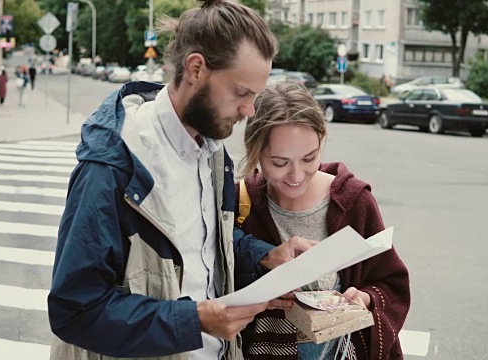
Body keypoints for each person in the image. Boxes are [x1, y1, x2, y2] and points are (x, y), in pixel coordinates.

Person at [47, 1, 315, 359]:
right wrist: (194, 320)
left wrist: (265, 257)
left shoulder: (215, 153)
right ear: (195, 69)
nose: (250, 110)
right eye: (241, 93)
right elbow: (75, 310)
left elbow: (203, 245)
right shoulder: (115, 164)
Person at [236, 80, 411, 359]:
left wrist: (364, 298)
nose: (295, 176)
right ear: (255, 150)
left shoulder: (353, 201)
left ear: (322, 138)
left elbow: (391, 281)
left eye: (309, 158)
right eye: (279, 163)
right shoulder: (239, 204)